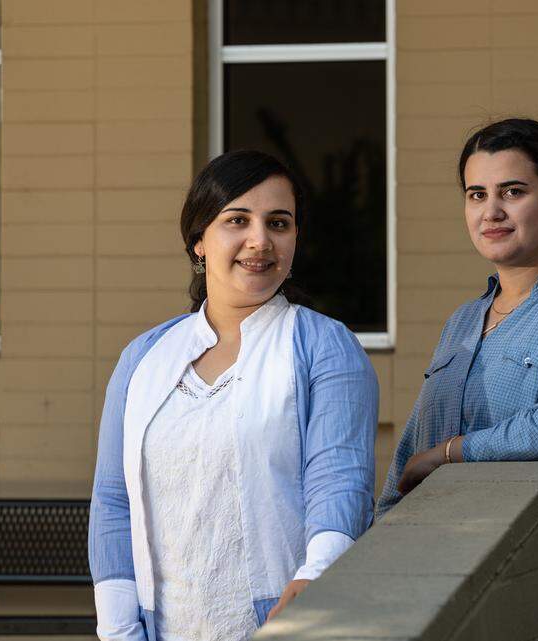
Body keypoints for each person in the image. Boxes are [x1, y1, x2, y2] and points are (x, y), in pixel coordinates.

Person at [88, 150, 378, 640]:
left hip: (285, 625)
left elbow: (340, 478)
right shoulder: (144, 357)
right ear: (199, 241)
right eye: (237, 220)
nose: (260, 240)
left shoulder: (323, 345)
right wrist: (118, 629)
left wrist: (317, 576)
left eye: (279, 223)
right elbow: (113, 500)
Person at [376, 118, 538, 516]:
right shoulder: (462, 321)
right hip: (425, 545)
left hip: (518, 550)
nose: (491, 212)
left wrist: (450, 454)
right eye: (477, 195)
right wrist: (381, 531)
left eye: (512, 192)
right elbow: (413, 450)